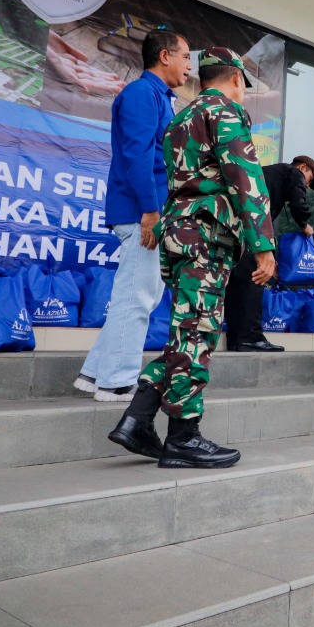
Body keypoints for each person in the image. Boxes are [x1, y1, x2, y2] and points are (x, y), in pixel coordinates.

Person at [106, 48, 276, 469]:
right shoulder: (225, 112)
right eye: (243, 85)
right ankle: (183, 436)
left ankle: (138, 419)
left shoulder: (180, 120)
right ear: (235, 78)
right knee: (197, 332)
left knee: (187, 330)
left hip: (179, 235)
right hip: (206, 236)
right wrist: (264, 244)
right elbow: (247, 179)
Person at [74, 29, 188, 402]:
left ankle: (95, 373)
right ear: (165, 56)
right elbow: (139, 155)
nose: (189, 66)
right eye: (186, 56)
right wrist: (150, 211)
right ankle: (117, 382)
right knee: (137, 296)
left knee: (141, 293)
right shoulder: (142, 93)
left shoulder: (160, 97)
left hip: (150, 211)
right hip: (143, 212)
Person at [224, 155, 314, 352]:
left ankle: (236, 338)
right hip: (252, 230)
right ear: (303, 167)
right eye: (309, 179)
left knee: (238, 283)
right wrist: (305, 225)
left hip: (237, 227)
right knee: (256, 278)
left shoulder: (273, 175)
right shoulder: (293, 172)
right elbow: (298, 204)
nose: (307, 186)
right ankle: (250, 337)